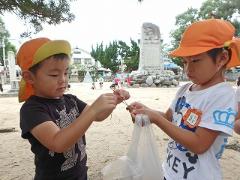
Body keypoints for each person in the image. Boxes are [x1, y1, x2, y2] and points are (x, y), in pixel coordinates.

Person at [128, 19, 240, 179]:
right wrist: (147, 112)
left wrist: (157, 120)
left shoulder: (222, 95)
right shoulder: (185, 89)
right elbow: (169, 117)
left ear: (221, 59)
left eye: (195, 60)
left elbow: (199, 144)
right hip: (169, 171)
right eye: (184, 62)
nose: (188, 69)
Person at [17, 37, 130, 180]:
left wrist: (114, 101)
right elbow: (58, 143)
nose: (63, 79)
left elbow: (98, 116)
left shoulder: (71, 100)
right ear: (29, 77)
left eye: (65, 72)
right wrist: (94, 109)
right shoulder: (32, 109)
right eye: (54, 74)